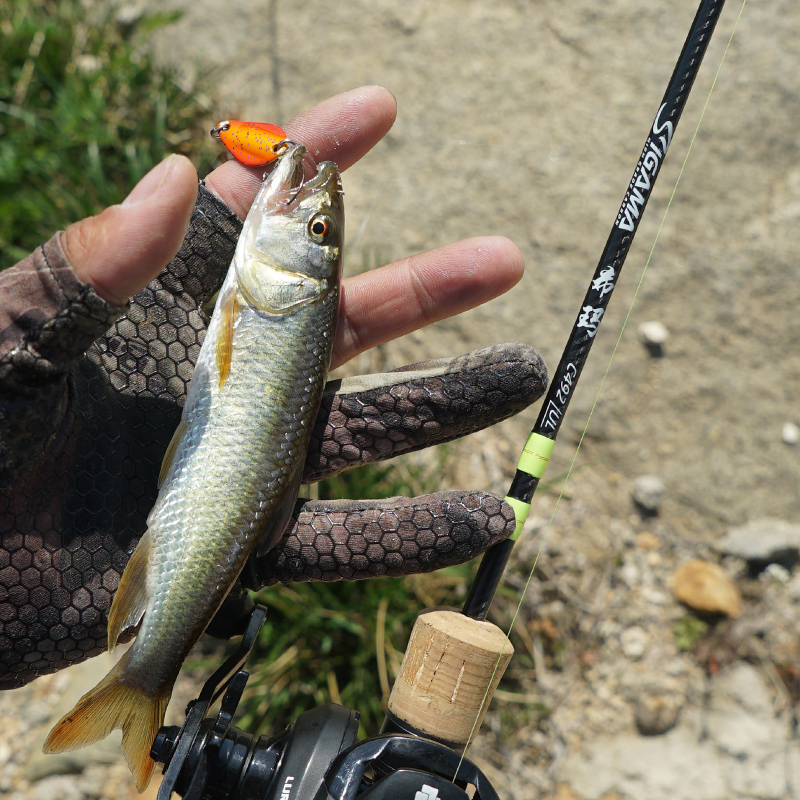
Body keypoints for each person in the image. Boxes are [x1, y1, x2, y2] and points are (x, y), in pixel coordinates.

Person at [0, 86, 547, 689]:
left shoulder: (279, 290)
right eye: (321, 226)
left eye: (314, 229)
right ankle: (147, 669)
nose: (311, 217)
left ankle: (145, 674)